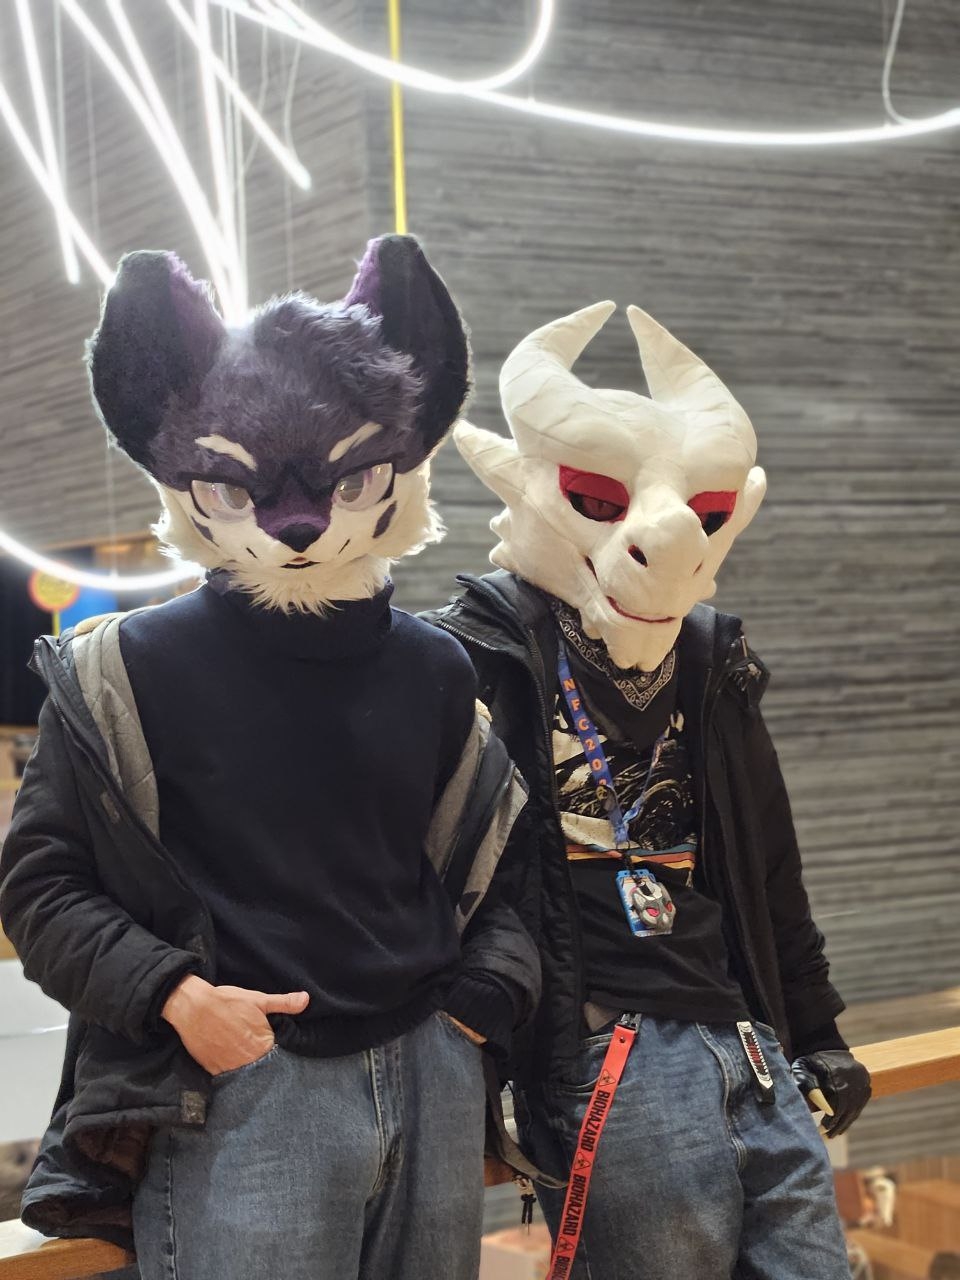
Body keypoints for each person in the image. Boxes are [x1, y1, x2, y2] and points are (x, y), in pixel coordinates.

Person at [0, 235, 539, 1280]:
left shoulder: (436, 665)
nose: (298, 523)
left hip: (430, 1067)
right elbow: (39, 885)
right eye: (240, 486)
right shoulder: (126, 668)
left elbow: (504, 868)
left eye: (349, 477)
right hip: (239, 1081)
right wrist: (176, 996)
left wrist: (479, 1004)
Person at [424, 300, 871, 1278]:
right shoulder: (470, 661)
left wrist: (818, 1029)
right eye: (595, 497)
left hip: (745, 1040)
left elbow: (769, 864)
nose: (666, 536)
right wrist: (488, 1061)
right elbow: (436, 883)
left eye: (707, 516)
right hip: (602, 1051)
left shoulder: (712, 663)